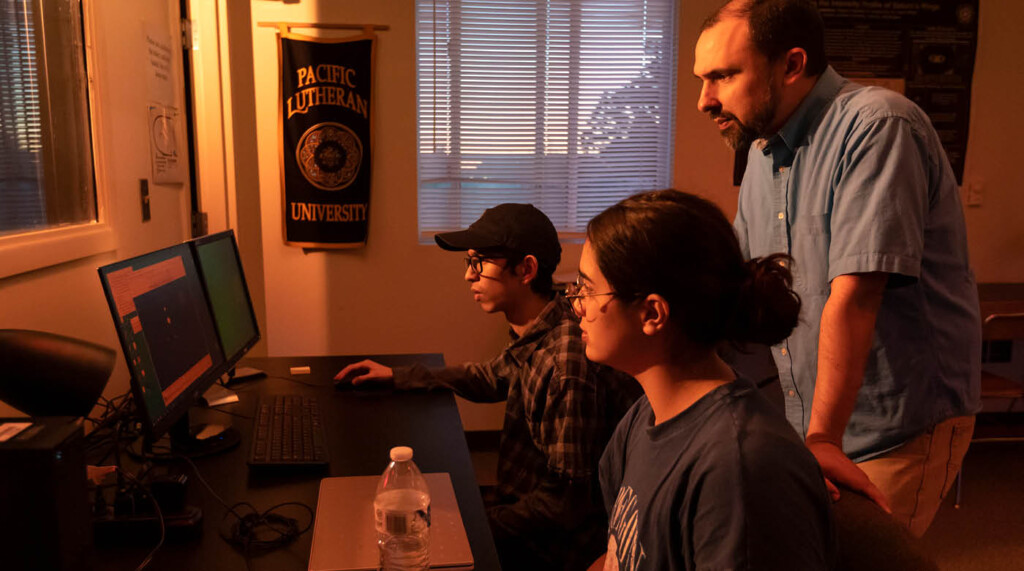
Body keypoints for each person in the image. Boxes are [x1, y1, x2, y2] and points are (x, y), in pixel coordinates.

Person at [694, 0, 980, 536]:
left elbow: (855, 296)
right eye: (702, 79)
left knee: (854, 556)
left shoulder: (878, 126)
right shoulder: (761, 153)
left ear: (792, 65)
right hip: (812, 419)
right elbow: (741, 280)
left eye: (723, 76)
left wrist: (822, 439)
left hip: (897, 422)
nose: (704, 100)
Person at [334, 203, 640, 571]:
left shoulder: (565, 366)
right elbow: (492, 376)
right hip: (519, 507)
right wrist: (399, 376)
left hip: (550, 549)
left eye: (479, 263)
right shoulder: (544, 322)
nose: (469, 276)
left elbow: (566, 504)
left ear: (525, 270)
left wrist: (473, 525)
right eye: (468, 262)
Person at [578, 189, 834, 570]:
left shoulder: (740, 468)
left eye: (586, 288)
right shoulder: (646, 416)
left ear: (652, 313)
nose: (577, 304)